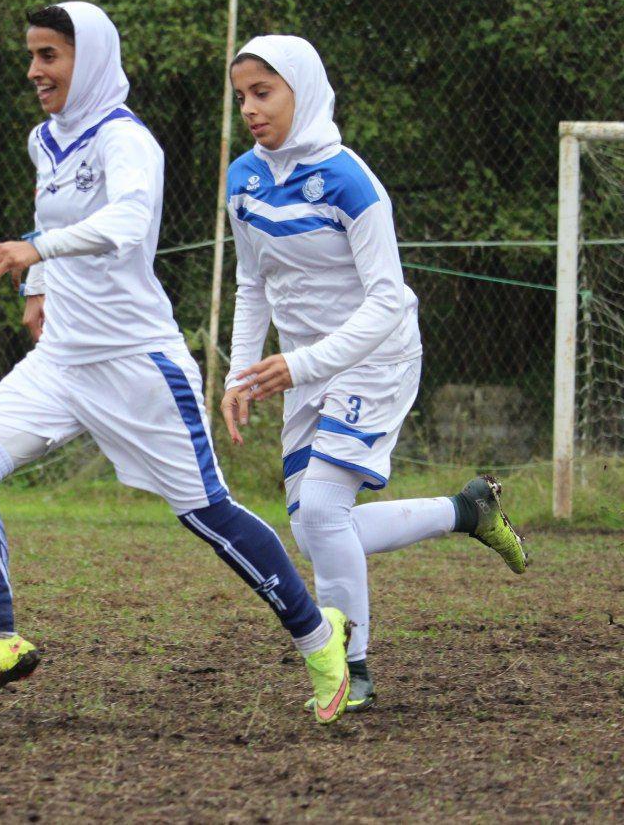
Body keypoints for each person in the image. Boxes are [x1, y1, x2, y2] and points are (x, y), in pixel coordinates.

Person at [0, 2, 351, 725]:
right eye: (32, 55)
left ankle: (320, 638)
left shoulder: (128, 140)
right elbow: (51, 215)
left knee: (209, 515)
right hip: (61, 360)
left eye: (49, 56)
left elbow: (127, 223)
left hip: (138, 366)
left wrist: (36, 252)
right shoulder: (46, 139)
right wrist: (38, 286)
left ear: (90, 60)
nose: (34, 70)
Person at [221, 35, 530, 712]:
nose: (249, 108)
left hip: (375, 358)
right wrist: (239, 375)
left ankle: (350, 666)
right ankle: (466, 510)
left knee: (322, 511)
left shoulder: (350, 181)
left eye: (263, 92)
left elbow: (388, 301)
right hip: (305, 370)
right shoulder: (243, 178)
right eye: (241, 95)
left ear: (303, 90)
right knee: (315, 532)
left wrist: (301, 363)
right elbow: (251, 282)